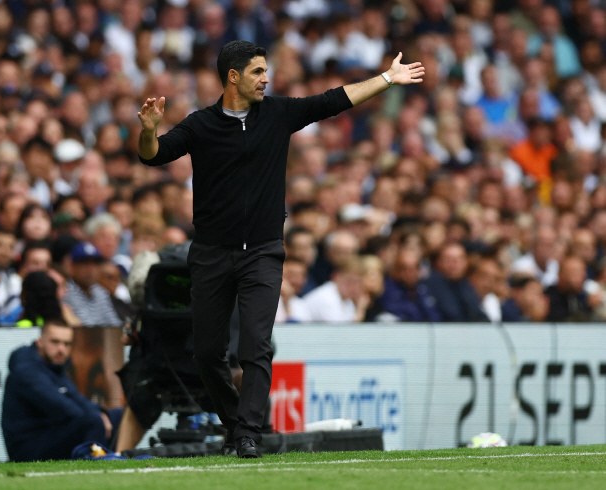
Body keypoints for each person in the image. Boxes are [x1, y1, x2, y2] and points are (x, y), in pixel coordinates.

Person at [137, 40, 423, 458]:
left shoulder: (278, 114)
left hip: (263, 252)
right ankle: (236, 425)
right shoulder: (200, 125)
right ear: (233, 77)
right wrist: (148, 131)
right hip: (212, 253)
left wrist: (386, 79)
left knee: (256, 346)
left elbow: (333, 100)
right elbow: (155, 155)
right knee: (207, 353)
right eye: (257, 72)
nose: (266, 78)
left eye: (266, 71)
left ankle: (249, 433)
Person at [1, 320, 120, 462]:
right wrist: (97, 417)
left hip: (51, 434)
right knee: (92, 421)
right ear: (40, 342)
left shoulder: (54, 366)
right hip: (28, 446)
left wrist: (102, 413)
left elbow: (76, 398)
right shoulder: (26, 371)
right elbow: (61, 407)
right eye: (55, 342)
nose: (61, 349)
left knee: (118, 416)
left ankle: (115, 458)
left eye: (67, 344)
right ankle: (97, 464)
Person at [62, 242, 122, 326]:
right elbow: (83, 327)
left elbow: (115, 324)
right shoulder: (64, 291)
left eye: (94, 264)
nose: (90, 269)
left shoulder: (100, 292)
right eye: (84, 263)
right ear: (72, 266)